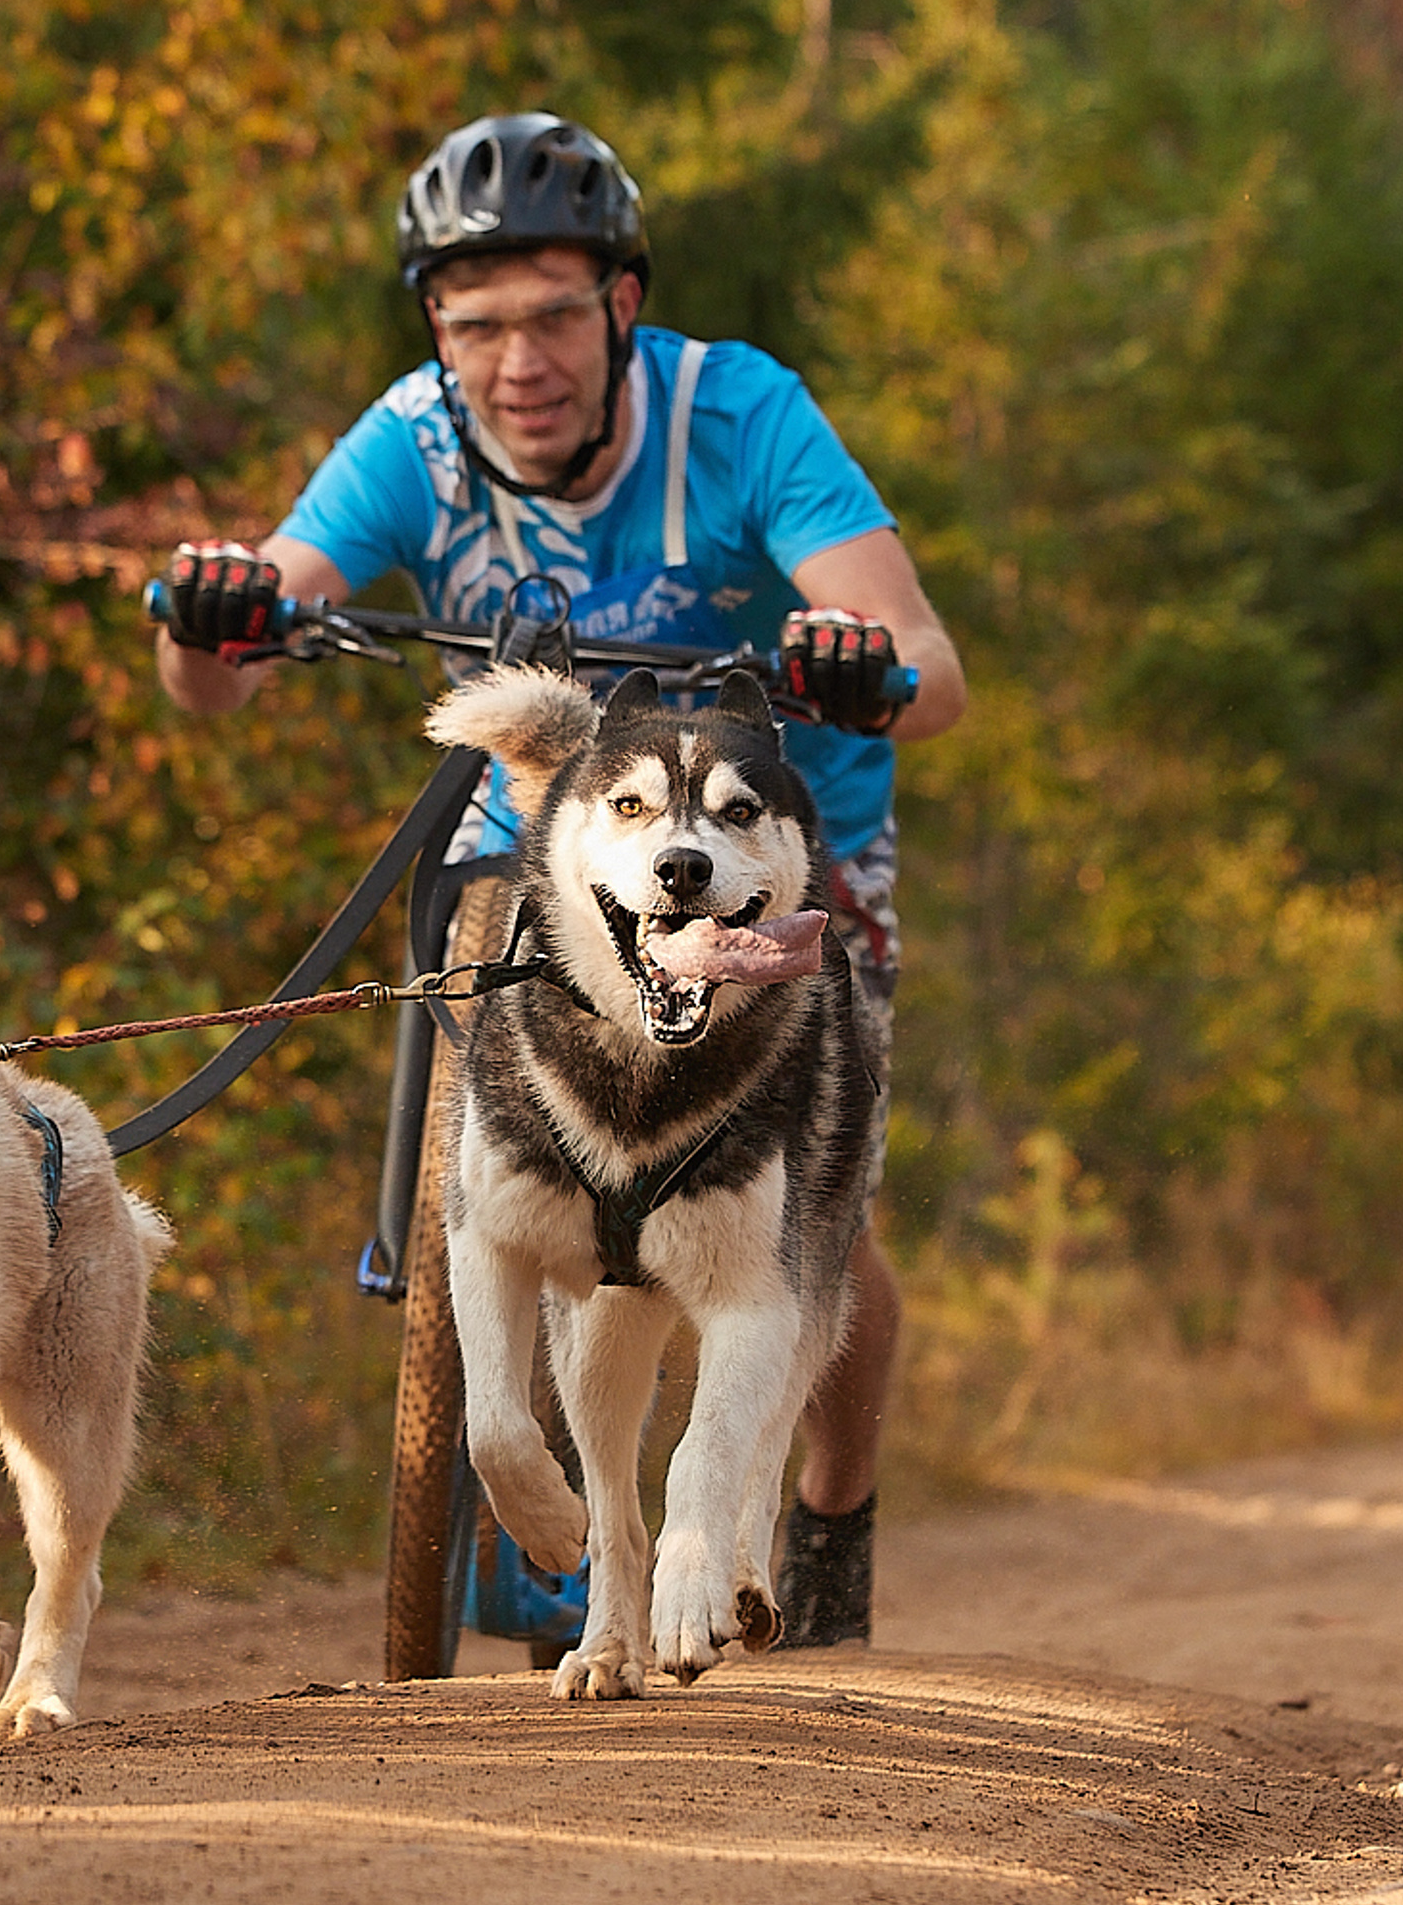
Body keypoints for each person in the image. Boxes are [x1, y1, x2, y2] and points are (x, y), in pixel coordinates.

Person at [156, 110, 966, 1647]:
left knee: (816, 1216)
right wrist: (211, 622)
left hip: (771, 855)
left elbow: (935, 667)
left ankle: (831, 1519)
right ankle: (479, 1336)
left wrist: (871, 667)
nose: (514, 362)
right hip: (541, 838)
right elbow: (227, 671)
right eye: (475, 326)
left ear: (622, 304)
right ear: (435, 330)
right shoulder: (412, 439)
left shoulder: (739, 413)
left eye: (549, 318)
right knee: (488, 1021)